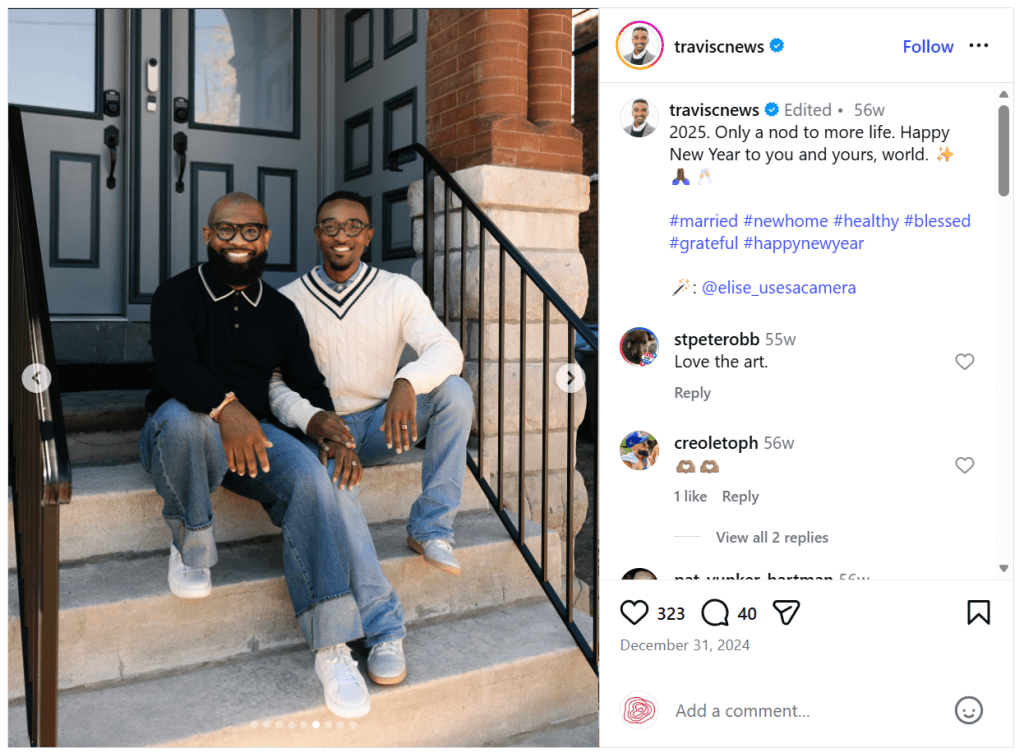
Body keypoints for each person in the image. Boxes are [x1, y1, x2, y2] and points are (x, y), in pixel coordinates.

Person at [139, 192, 406, 721]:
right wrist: (226, 407)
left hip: (254, 436)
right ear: (208, 235)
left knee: (310, 477)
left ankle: (331, 647)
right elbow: (176, 369)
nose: (239, 241)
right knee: (184, 421)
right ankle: (191, 542)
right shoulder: (177, 294)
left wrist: (334, 433)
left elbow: (306, 381)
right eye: (227, 230)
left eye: (251, 231)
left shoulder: (281, 311)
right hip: (183, 430)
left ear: (267, 238)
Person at [269, 190, 473, 577]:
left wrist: (407, 381)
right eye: (330, 226)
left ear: (369, 235)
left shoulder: (397, 289)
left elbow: (447, 349)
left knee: (455, 393)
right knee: (338, 501)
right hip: (325, 432)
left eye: (353, 226)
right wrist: (314, 421)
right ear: (317, 235)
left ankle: (431, 528)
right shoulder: (288, 300)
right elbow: (271, 382)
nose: (341, 235)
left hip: (385, 426)